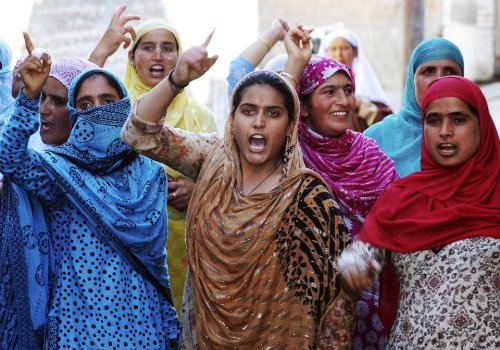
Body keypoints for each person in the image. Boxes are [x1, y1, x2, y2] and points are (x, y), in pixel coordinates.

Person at [121, 27, 355, 349]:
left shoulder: (309, 198)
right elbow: (137, 134)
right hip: (202, 337)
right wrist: (178, 79)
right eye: (248, 111)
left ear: (289, 126)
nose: (258, 122)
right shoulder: (213, 158)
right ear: (233, 119)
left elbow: (334, 308)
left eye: (273, 113)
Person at [0, 45, 179, 348]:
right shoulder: (59, 173)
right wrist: (28, 99)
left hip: (141, 325)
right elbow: (10, 157)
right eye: (84, 105)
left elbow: (155, 262)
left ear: (123, 105)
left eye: (107, 101)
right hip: (78, 328)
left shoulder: (150, 173)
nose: (97, 111)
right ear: (75, 115)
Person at [339, 75, 499, 348]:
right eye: (433, 120)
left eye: (459, 120)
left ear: (481, 125)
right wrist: (351, 269)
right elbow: (363, 255)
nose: (445, 131)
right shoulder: (403, 198)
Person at [91, 11, 218, 310]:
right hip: (121, 245)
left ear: (179, 57)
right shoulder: (114, 108)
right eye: (147, 47)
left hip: (184, 247)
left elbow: (227, 176)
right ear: (132, 59)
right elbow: (77, 121)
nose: (158, 55)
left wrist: (196, 188)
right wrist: (101, 51)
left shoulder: (201, 116)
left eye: (168, 47)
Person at [1, 33, 97, 348]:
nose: (44, 110)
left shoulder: (123, 171)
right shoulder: (44, 161)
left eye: (58, 101)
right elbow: (10, 154)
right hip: (33, 304)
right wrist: (26, 100)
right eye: (42, 98)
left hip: (89, 314)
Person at [297, 55, 399, 349]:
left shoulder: (369, 152)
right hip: (302, 309)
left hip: (368, 303)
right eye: (328, 91)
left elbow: (391, 219)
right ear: (302, 107)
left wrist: (366, 257)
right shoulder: (290, 158)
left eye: (348, 89)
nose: (343, 100)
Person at [363, 37, 464, 177]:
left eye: (449, 72)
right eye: (428, 71)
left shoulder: (475, 136)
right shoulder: (375, 139)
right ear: (412, 80)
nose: (439, 80)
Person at [318, 27, 393, 132]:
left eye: (344, 48)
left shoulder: (366, 85)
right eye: (334, 49)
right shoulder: (318, 85)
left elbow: (387, 127)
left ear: (355, 51)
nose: (339, 54)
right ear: (327, 52)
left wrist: (364, 106)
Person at [226, 18, 289, 102]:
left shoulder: (293, 107)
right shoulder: (250, 101)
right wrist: (276, 32)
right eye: (248, 111)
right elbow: (238, 69)